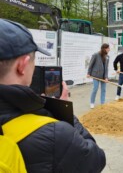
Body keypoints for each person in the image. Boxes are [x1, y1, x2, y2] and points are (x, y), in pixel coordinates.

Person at [0, 19, 106, 172]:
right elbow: (96, 159)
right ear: (22, 65)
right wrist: (63, 111)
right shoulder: (56, 134)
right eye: (34, 60)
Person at [87, 43, 110, 109]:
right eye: (108, 48)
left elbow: (106, 68)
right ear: (104, 49)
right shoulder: (96, 55)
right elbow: (90, 65)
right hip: (95, 75)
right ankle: (92, 102)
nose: (109, 49)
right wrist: (88, 73)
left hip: (103, 76)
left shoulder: (107, 56)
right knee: (95, 88)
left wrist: (106, 77)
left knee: (103, 90)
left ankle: (102, 103)